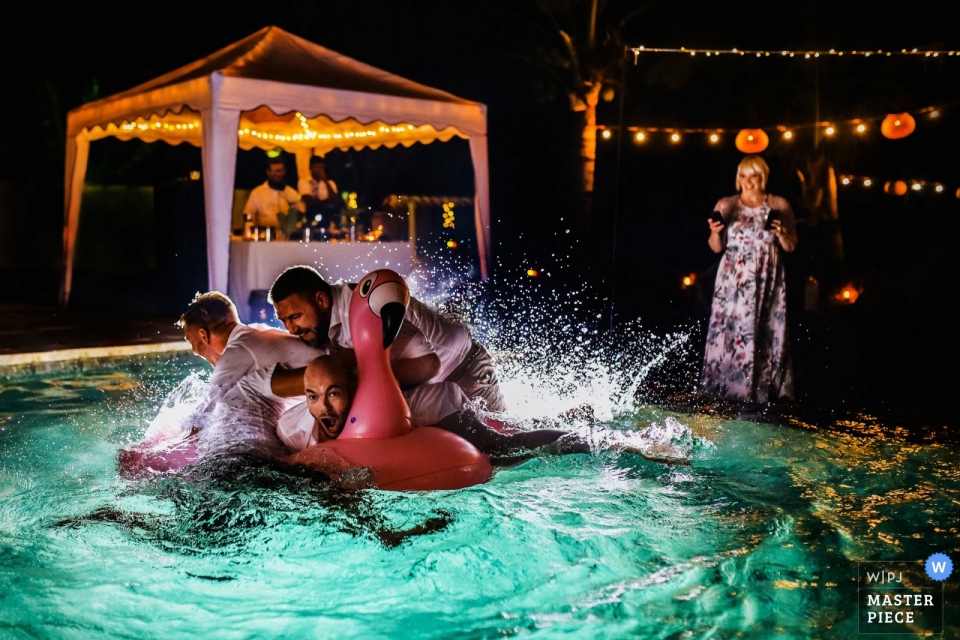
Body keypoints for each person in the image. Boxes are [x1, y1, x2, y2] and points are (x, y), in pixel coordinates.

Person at [277, 356, 690, 463]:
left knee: (509, 447)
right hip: (437, 406)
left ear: (352, 389)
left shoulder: (382, 403)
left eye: (333, 394)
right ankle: (573, 412)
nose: (322, 407)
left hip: (442, 411)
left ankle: (622, 442)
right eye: (313, 397)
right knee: (513, 427)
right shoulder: (295, 427)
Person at [269, 265, 505, 411]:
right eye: (284, 321)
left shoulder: (365, 308)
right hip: (438, 381)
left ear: (321, 300)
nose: (291, 329)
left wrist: (355, 383)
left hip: (465, 366)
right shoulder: (325, 324)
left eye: (295, 317)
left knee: (503, 448)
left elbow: (427, 365)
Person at [701, 155, 797, 403]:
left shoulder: (779, 204)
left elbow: (791, 245)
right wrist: (715, 233)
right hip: (735, 275)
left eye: (753, 175)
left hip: (768, 273)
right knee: (735, 328)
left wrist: (782, 232)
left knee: (766, 328)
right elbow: (715, 247)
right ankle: (729, 388)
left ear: (762, 177)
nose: (747, 181)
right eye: (743, 175)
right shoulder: (727, 204)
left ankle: (764, 390)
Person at [242, 157, 301, 237]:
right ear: (268, 172)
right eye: (274, 171)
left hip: (287, 237)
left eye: (280, 171)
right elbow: (249, 215)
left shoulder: (291, 192)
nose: (277, 174)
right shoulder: (257, 193)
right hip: (264, 237)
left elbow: (300, 214)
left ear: (284, 172)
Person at [298, 156, 341, 229]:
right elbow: (309, 202)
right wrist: (327, 201)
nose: (319, 170)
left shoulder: (330, 183)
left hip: (328, 218)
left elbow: (336, 201)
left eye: (321, 167)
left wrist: (325, 182)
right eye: (316, 167)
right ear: (310, 168)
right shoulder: (303, 182)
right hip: (310, 217)